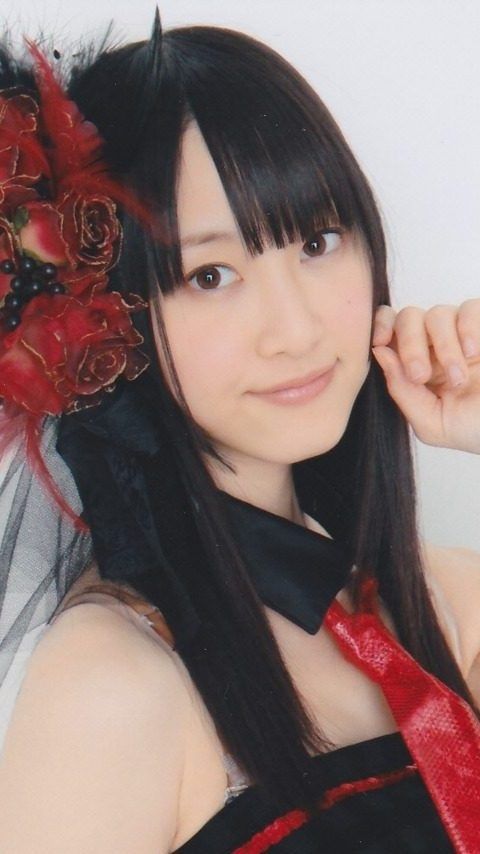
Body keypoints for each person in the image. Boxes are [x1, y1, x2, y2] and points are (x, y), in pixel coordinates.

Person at [0, 11, 479, 853]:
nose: (294, 329)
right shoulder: (113, 689)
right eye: (210, 274)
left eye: (317, 240)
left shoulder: (445, 602)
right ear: (104, 318)